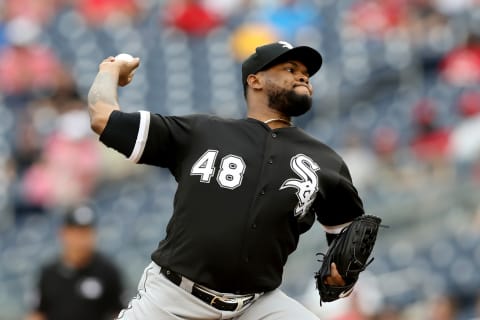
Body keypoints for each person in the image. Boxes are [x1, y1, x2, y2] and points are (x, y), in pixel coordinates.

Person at [87, 41, 366, 319]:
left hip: (256, 306)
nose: (303, 76)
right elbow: (103, 118)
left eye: (306, 72)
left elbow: (349, 240)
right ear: (254, 80)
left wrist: (342, 281)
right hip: (174, 299)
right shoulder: (202, 133)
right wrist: (110, 71)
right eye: (290, 68)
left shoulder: (326, 162)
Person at [26, 205, 125, 320]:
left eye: (87, 232)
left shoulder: (107, 270)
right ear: (63, 233)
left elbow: (120, 312)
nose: (82, 240)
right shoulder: (48, 273)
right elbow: (37, 313)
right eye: (77, 232)